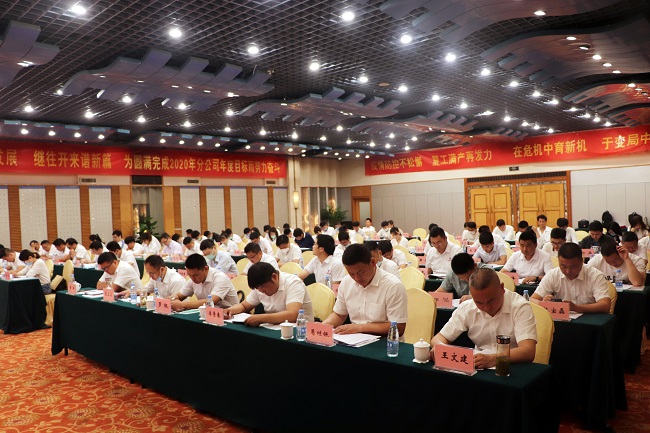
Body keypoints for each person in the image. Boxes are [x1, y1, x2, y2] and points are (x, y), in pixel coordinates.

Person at [430, 268, 536, 368]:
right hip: (479, 364)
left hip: (513, 365)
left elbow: (528, 351)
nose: (486, 307)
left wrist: (494, 359)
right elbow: (438, 338)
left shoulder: (520, 307)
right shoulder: (468, 307)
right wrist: (440, 347)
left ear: (502, 288)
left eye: (491, 301)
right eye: (479, 302)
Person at [323, 243, 408, 337]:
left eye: (361, 272)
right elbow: (339, 315)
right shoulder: (346, 282)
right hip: (355, 340)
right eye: (351, 273)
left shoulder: (393, 286)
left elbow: (398, 327)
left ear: (373, 262)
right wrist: (323, 327)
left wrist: (359, 328)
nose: (356, 278)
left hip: (385, 342)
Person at [225, 262, 313, 326]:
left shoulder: (293, 283)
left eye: (263, 287)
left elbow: (292, 315)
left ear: (274, 277)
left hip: (300, 330)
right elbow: (244, 306)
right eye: (258, 288)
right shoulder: (260, 286)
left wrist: (261, 318)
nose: (261, 291)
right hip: (273, 327)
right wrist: (229, 310)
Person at [531, 243, 610, 313]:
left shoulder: (595, 276)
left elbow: (605, 305)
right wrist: (543, 304)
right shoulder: (553, 274)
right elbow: (532, 299)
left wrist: (576, 308)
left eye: (573, 267)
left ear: (582, 261)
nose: (568, 271)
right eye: (564, 266)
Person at [171, 254, 238, 311]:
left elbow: (210, 302)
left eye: (195, 275)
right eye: (189, 275)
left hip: (228, 313)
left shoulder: (220, 278)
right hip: (207, 313)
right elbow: (179, 295)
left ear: (205, 268)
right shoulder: (193, 278)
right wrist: (173, 299)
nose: (192, 278)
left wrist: (182, 304)